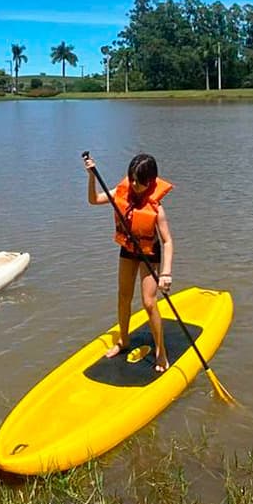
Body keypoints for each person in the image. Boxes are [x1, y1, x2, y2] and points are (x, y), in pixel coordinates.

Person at [83, 151, 174, 373]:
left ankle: (161, 352)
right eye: (132, 179)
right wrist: (92, 176)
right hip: (128, 249)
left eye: (139, 181)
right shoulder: (122, 192)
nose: (134, 184)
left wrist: (166, 273)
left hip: (149, 252)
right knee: (123, 296)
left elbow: (168, 241)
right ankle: (124, 340)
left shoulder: (157, 209)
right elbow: (94, 200)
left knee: (149, 302)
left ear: (150, 181)